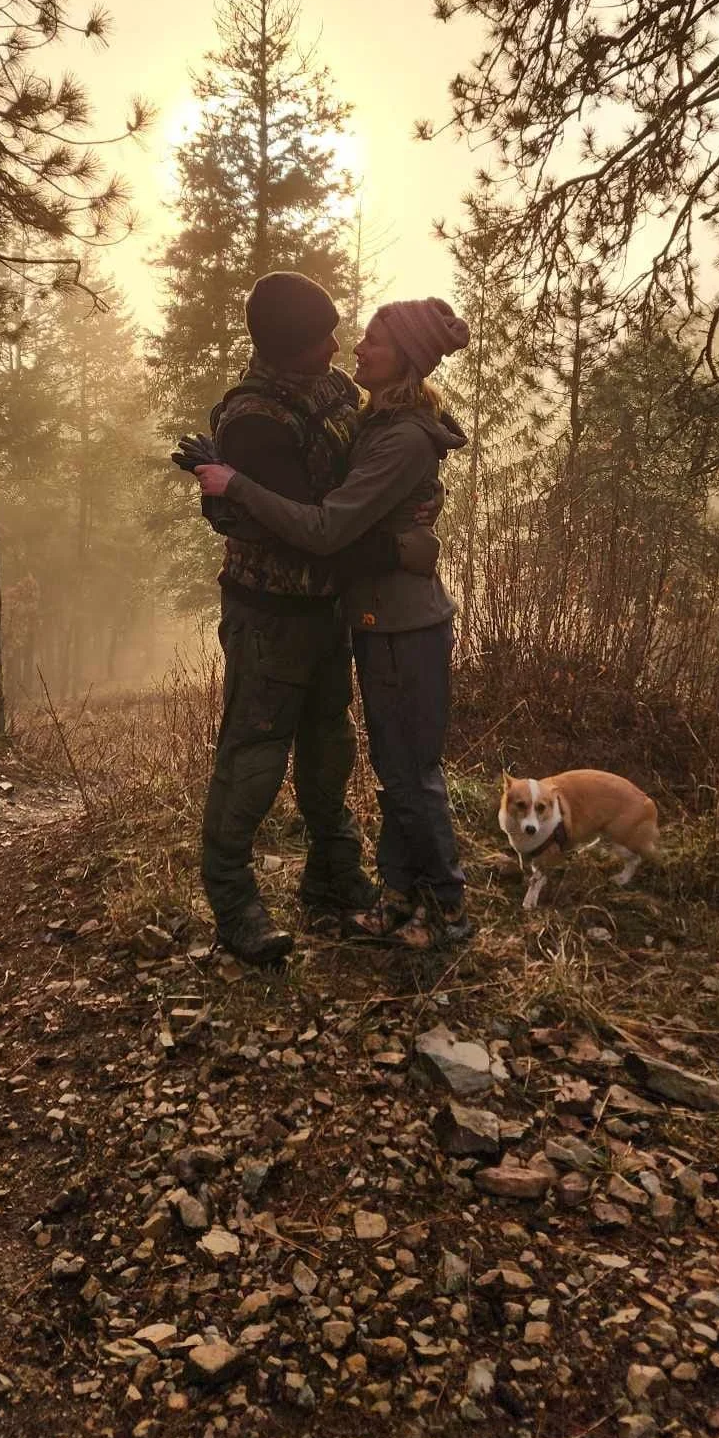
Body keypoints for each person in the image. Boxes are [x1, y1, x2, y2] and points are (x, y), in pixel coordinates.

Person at [176, 271, 443, 968]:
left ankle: (332, 879)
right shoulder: (252, 418)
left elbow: (368, 476)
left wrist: (417, 502)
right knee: (255, 758)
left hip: (329, 610)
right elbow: (312, 526)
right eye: (321, 337)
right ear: (287, 346)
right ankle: (235, 903)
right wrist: (397, 547)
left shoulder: (331, 393)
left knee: (330, 751)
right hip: (268, 616)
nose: (337, 345)